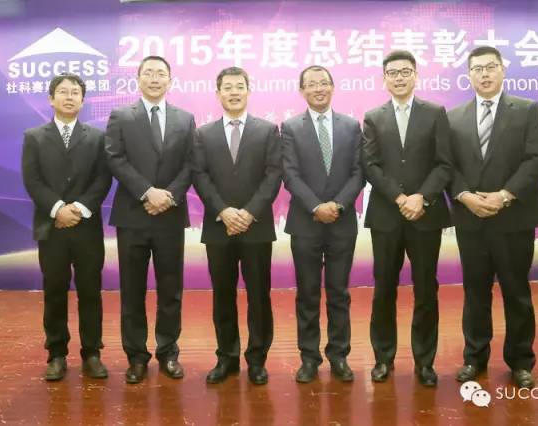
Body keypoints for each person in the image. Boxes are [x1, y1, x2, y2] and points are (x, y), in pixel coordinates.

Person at [449, 46, 538, 389]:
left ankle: (521, 361)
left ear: (503, 71)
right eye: (477, 68)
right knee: (475, 292)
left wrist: (504, 195)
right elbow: (447, 165)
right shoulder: (453, 117)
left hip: (514, 218)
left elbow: (537, 158)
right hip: (471, 219)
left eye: (491, 67)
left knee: (516, 291)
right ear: (469, 75)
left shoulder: (526, 110)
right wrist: (465, 197)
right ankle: (474, 358)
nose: (485, 74)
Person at [361, 50, 452, 387]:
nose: (399, 78)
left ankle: (425, 362)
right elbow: (370, 165)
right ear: (384, 79)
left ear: (416, 75)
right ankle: (383, 358)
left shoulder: (435, 113)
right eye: (392, 73)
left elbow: (444, 163)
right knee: (384, 287)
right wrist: (400, 198)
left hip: (425, 215)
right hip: (387, 215)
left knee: (426, 288)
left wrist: (421, 197)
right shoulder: (373, 116)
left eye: (405, 72)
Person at [105, 56, 196, 384]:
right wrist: (146, 192)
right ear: (138, 79)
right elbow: (115, 157)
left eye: (161, 74)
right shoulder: (121, 116)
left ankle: (168, 352)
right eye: (149, 73)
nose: (155, 78)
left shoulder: (185, 119)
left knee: (171, 289)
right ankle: (136, 356)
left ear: (170, 80)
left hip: (170, 215)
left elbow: (192, 163)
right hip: (133, 215)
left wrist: (169, 196)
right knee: (132, 290)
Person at [193, 66, 282, 385]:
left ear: (248, 90)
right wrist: (224, 212)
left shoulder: (268, 130)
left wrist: (248, 213)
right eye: (227, 87)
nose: (233, 92)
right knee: (223, 295)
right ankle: (226, 358)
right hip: (219, 227)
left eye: (239, 86)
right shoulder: (203, 133)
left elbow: (274, 174)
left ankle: (257, 359)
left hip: (256, 227)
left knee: (259, 296)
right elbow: (199, 175)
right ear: (218, 93)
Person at [22, 72, 111, 381]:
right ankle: (57, 354)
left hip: (87, 228)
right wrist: (58, 209)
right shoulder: (34, 136)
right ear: (51, 98)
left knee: (90, 291)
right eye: (63, 91)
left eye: (75, 92)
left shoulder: (97, 138)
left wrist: (80, 209)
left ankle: (92, 353)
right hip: (52, 228)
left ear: (83, 101)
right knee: (55, 291)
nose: (69, 96)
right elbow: (32, 180)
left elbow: (103, 178)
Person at [281, 65, 364, 383]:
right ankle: (309, 358)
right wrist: (316, 206)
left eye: (323, 83)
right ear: (301, 90)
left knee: (339, 292)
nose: (318, 88)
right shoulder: (290, 127)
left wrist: (338, 205)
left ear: (333, 87)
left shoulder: (351, 126)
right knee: (308, 293)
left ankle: (339, 355)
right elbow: (290, 174)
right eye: (311, 84)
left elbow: (359, 172)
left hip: (342, 222)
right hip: (306, 223)